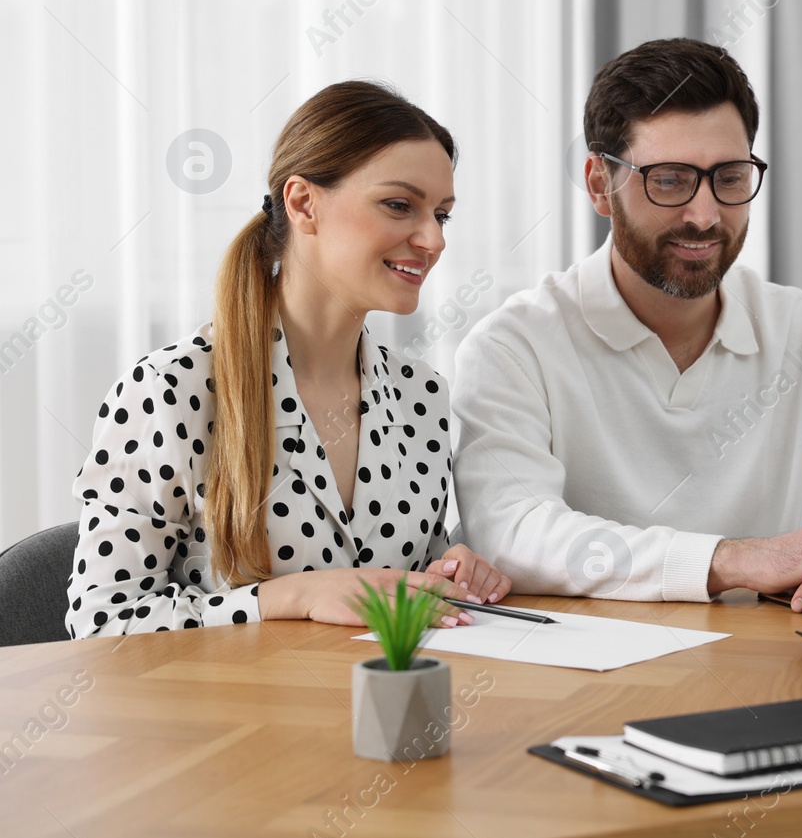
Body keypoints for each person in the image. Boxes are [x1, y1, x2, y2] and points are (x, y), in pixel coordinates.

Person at [452, 37, 802, 611]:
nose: (704, 216)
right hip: (588, 684)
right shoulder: (514, 347)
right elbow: (513, 533)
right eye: (670, 180)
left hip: (778, 667)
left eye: (729, 177)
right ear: (600, 184)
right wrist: (736, 560)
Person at [66, 81, 511, 638]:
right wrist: (292, 596)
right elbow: (102, 621)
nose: (433, 240)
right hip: (235, 721)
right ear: (303, 203)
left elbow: (398, 585)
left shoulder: (421, 395)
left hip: (379, 708)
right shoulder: (171, 390)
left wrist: (449, 573)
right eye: (399, 205)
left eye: (441, 215)